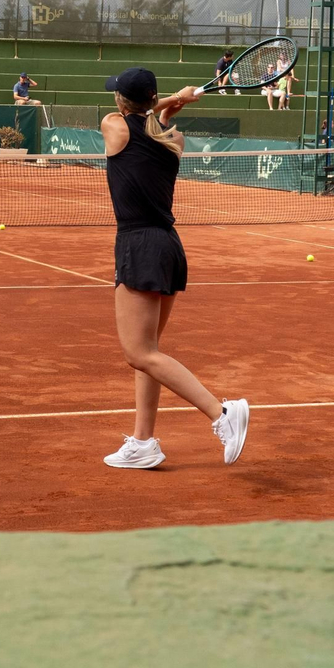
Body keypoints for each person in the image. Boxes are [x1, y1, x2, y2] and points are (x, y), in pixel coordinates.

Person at [98, 66, 248, 471]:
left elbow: (134, 118)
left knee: (138, 352)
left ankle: (222, 413)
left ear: (122, 102)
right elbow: (154, 124)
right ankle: (143, 442)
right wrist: (169, 104)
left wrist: (173, 99)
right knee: (149, 352)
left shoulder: (115, 127)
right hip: (168, 247)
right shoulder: (174, 140)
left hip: (139, 244)